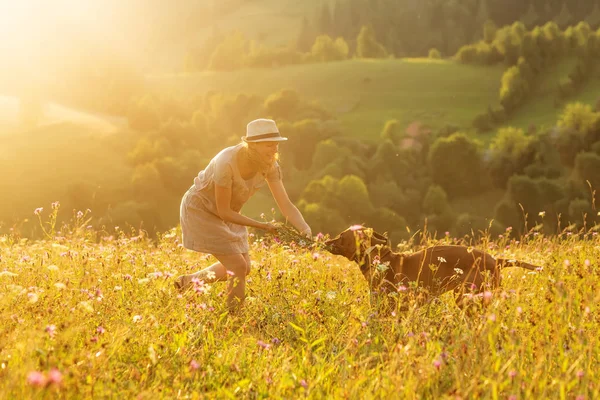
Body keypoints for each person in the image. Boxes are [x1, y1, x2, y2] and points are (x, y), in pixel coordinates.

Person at [175, 118, 312, 311]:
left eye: (276, 144)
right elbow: (223, 212)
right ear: (253, 145)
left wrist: (304, 228)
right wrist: (264, 226)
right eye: (269, 145)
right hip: (202, 210)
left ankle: (188, 282)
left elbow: (285, 204)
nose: (275, 149)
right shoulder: (226, 163)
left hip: (230, 212)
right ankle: (234, 321)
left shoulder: (270, 166)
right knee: (237, 266)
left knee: (244, 267)